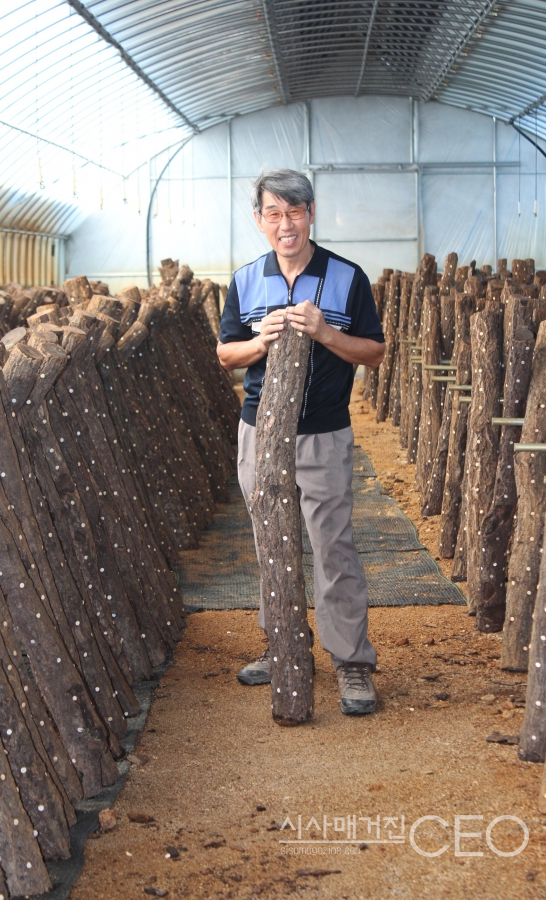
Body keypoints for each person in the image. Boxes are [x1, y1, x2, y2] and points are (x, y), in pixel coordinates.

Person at [216, 169, 385, 715]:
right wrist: (258, 342)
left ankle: (350, 659)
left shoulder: (345, 277)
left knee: (331, 544)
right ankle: (282, 645)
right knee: (272, 541)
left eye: (294, 212)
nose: (284, 224)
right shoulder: (244, 280)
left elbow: (374, 352)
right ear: (260, 219)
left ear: (311, 213)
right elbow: (225, 355)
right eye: (273, 213)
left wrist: (326, 333)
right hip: (258, 433)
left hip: (322, 432)